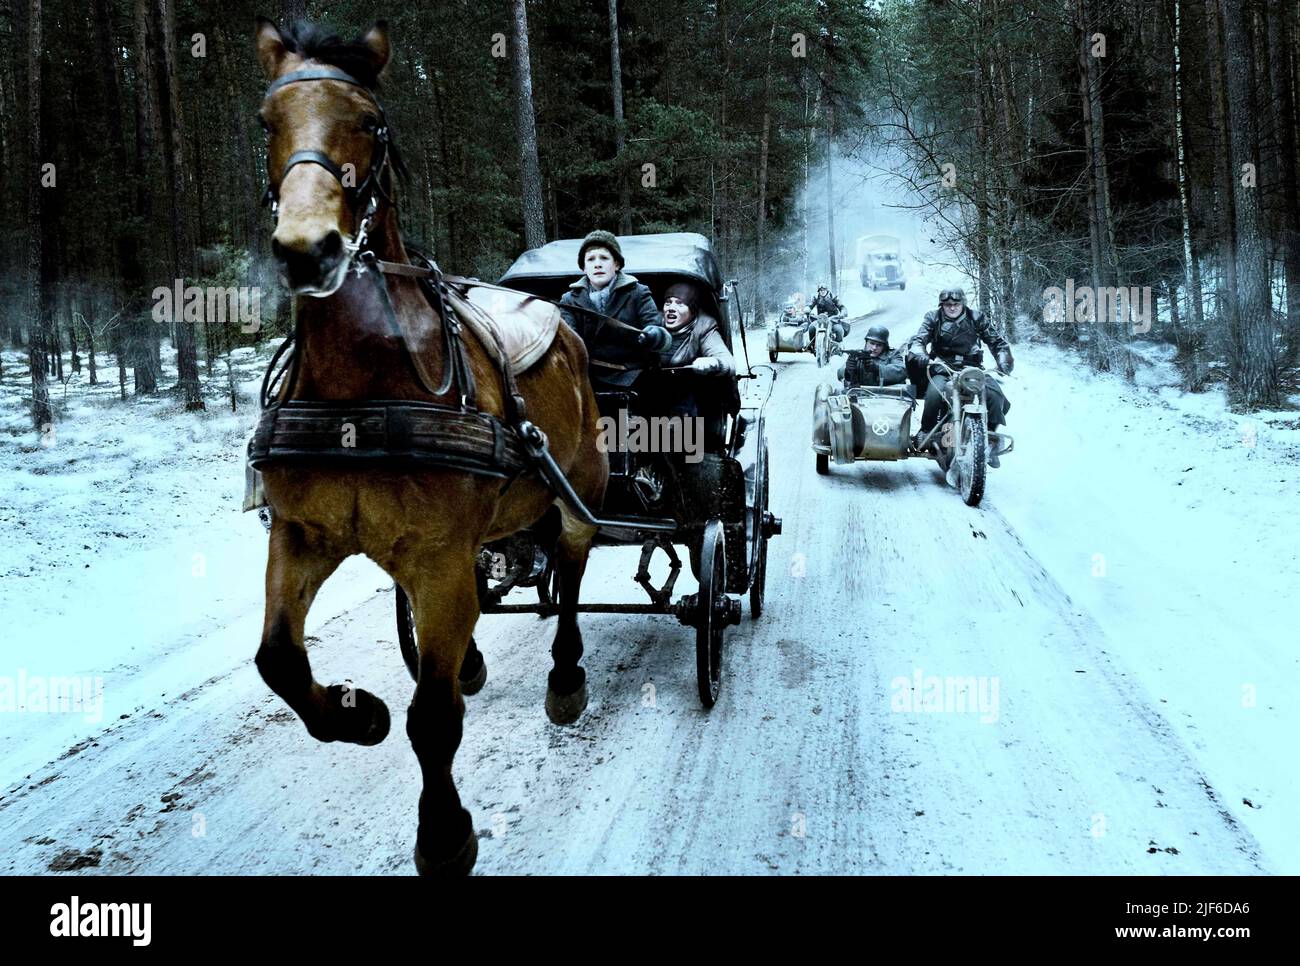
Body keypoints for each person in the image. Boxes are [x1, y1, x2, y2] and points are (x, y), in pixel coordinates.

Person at [905, 286, 1014, 463]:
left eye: (956, 303)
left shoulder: (976, 318)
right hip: (942, 366)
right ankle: (926, 430)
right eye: (947, 304)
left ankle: (990, 438)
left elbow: (997, 342)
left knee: (994, 394)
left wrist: (1004, 361)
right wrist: (920, 354)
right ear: (942, 305)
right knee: (935, 392)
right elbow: (919, 339)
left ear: (963, 303)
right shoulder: (933, 318)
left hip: (972, 368)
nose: (952, 307)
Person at [559, 230, 669, 388]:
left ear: (617, 264)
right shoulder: (569, 300)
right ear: (583, 267)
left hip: (634, 377)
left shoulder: (638, 292)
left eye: (604, 258)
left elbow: (659, 333)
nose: (597, 264)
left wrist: (653, 335)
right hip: (586, 379)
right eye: (590, 259)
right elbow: (568, 342)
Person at [839, 324, 906, 388]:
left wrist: (877, 368)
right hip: (862, 395)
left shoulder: (893, 354)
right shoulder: (858, 354)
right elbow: (840, 375)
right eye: (872, 343)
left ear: (884, 346)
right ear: (866, 342)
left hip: (887, 395)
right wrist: (847, 370)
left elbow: (901, 371)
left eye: (879, 345)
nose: (874, 348)